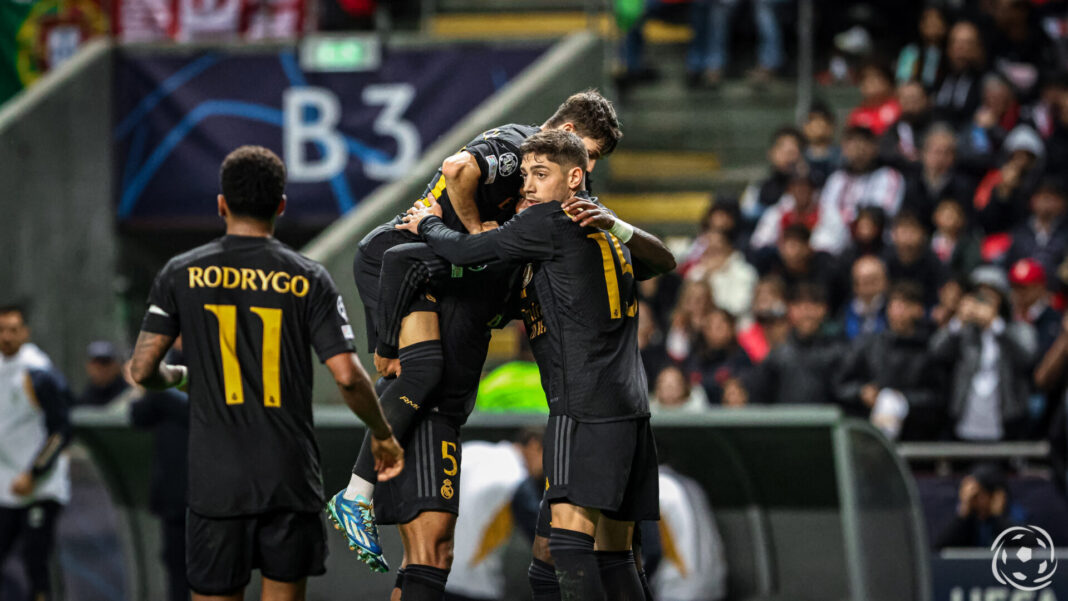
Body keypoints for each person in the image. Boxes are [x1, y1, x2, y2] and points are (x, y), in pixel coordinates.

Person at [336, 92, 625, 572]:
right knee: (423, 368)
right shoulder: (518, 144)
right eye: (590, 155)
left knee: (426, 371)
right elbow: (455, 168)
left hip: (426, 275)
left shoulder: (553, 198)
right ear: (570, 136)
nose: (588, 170)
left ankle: (358, 493)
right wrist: (471, 228)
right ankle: (355, 495)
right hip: (402, 259)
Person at [398, 129, 675, 600]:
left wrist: (427, 222)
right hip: (630, 409)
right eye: (524, 174)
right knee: (607, 554)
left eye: (540, 174)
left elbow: (465, 251)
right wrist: (619, 226)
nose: (527, 185)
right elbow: (664, 260)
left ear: (574, 177)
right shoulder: (604, 229)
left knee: (566, 548)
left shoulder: (550, 222)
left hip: (582, 407)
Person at [126, 146, 403, 601]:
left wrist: (178, 377)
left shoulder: (181, 272)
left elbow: (142, 368)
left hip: (216, 486)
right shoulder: (307, 278)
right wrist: (382, 434)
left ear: (221, 204)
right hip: (288, 480)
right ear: (281, 206)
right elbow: (349, 377)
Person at [0, 305, 72, 601]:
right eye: (1, 330)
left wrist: (35, 473)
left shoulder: (38, 372)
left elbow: (62, 429)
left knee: (35, 561)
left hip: (39, 486)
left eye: (13, 330)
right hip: (6, 485)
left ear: (25, 333)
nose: (6, 336)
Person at [929, 266, 1037, 441]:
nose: (983, 301)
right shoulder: (963, 331)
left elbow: (1027, 360)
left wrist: (996, 325)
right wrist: (958, 321)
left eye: (990, 295)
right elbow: (936, 353)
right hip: (964, 420)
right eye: (979, 295)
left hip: (1007, 420)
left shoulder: (1017, 329)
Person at [835, 281, 945, 440]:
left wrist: (904, 400)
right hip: (872, 435)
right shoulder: (868, 344)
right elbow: (841, 385)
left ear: (918, 310)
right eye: (894, 304)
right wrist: (861, 392)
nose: (898, 311)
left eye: (905, 304)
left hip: (917, 437)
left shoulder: (929, 348)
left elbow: (938, 397)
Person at [443, 429, 544, 601]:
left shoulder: (471, 450)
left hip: (433, 575)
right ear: (534, 445)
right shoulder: (516, 480)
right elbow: (542, 539)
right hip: (474, 584)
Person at [127, 350, 190, 601]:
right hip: (173, 494)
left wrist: (157, 387)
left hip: (209, 491)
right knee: (175, 564)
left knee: (213, 570)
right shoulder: (166, 364)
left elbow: (198, 411)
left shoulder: (211, 358)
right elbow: (137, 415)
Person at [735, 283, 844, 406]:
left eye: (812, 305)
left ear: (824, 309)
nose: (806, 313)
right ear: (790, 310)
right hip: (786, 422)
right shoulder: (776, 356)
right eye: (800, 306)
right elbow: (760, 397)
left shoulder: (838, 352)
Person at [811, 125, 905, 254]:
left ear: (875, 147)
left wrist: (847, 218)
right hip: (838, 243)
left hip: (877, 244)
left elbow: (882, 212)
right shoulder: (836, 179)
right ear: (844, 147)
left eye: (864, 141)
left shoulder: (889, 176)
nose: (859, 147)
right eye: (852, 142)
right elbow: (827, 212)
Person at [934, 463, 1020, 549]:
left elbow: (1028, 546)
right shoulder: (968, 520)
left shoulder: (1016, 515)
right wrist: (963, 512)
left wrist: (998, 517)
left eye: (977, 495)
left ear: (995, 496)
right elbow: (938, 548)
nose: (974, 502)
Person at [684, 307, 750, 404]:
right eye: (709, 327)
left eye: (719, 326)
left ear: (731, 329)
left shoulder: (741, 358)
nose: (713, 331)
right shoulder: (694, 357)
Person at [883, 210, 947, 308]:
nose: (907, 236)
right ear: (893, 234)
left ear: (922, 234)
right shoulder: (884, 260)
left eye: (912, 230)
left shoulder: (933, 262)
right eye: (903, 231)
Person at [933, 21, 988, 128]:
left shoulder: (986, 83)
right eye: (955, 42)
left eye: (967, 43)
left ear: (978, 48)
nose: (960, 48)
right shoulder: (938, 76)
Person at [895, 6, 947, 89]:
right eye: (928, 22)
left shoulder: (950, 53)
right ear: (921, 26)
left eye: (936, 21)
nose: (933, 25)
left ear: (945, 26)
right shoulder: (911, 51)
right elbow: (903, 80)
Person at [837, 255, 888, 341]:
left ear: (885, 282)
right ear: (855, 286)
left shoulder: (891, 312)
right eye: (864, 282)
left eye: (873, 281)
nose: (869, 289)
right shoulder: (844, 313)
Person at [847, 62, 901, 137]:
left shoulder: (900, 108)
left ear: (888, 82)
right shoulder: (856, 115)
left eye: (876, 77)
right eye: (864, 78)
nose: (870, 82)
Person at [77, 340, 130, 406]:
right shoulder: (86, 396)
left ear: (116, 366)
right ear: (88, 366)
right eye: (95, 362)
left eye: (105, 362)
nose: (100, 367)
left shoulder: (128, 394)